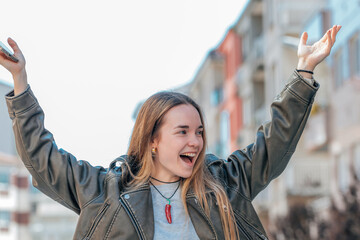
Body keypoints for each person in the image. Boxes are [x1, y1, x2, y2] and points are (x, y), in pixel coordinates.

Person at [1, 25, 341, 240]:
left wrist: (304, 72)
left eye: (200, 131)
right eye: (182, 132)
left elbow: (275, 143)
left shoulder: (226, 186)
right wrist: (20, 82)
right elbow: (41, 159)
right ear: (153, 139)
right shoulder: (105, 193)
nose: (195, 141)